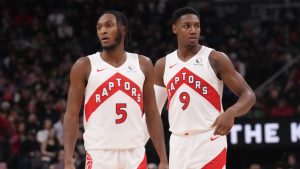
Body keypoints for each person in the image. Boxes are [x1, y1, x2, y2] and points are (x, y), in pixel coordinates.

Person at [153, 7, 256, 169]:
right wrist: (162, 158)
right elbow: (153, 112)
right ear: (175, 28)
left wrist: (231, 112)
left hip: (209, 140)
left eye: (197, 26)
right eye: (187, 26)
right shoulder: (162, 65)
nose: (193, 30)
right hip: (178, 142)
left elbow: (249, 95)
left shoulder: (215, 58)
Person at [63, 10, 168, 169]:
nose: (103, 31)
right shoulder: (84, 65)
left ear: (123, 29)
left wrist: (163, 159)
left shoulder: (143, 64)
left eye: (109, 25)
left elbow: (152, 113)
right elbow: (71, 115)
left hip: (135, 153)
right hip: (99, 153)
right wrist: (68, 161)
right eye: (99, 28)